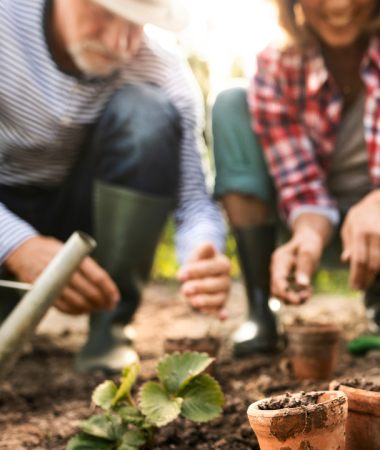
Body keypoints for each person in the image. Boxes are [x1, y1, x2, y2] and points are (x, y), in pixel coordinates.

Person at [211, 0, 380, 355]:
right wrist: (308, 234)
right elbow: (300, 185)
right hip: (315, 227)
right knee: (230, 102)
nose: (339, 4)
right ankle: (260, 304)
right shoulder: (275, 63)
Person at [0, 0, 231, 374]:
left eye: (137, 24)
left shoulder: (162, 70)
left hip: (86, 212)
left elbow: (193, 204)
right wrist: (14, 244)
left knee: (147, 112)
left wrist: (201, 252)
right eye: (104, 13)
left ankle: (110, 328)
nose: (119, 42)